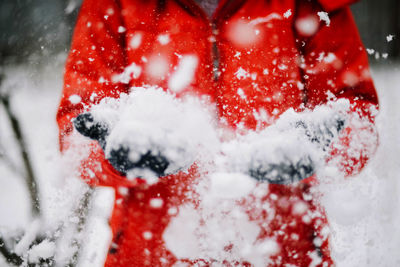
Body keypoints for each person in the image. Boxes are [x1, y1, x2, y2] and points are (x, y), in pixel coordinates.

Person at [57, 0, 379, 266]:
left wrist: (318, 148)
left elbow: (356, 119)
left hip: (284, 250)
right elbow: (76, 132)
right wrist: (114, 152)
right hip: (152, 253)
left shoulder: (311, 4)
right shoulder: (113, 4)